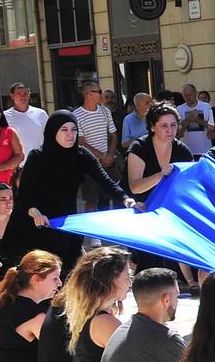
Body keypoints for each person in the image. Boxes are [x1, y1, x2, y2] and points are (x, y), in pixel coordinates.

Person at [16, 111, 133, 268]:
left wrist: (126, 199)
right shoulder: (37, 157)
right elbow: (25, 193)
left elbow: (104, 180)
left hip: (67, 223)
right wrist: (35, 212)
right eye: (64, 130)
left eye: (74, 129)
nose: (70, 134)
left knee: (70, 271)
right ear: (53, 131)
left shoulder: (81, 154)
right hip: (39, 223)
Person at [124, 103, 194, 207]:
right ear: (152, 127)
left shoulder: (182, 150)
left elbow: (189, 184)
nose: (170, 130)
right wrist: (161, 175)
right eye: (164, 125)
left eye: (173, 125)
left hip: (166, 207)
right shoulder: (139, 147)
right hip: (135, 206)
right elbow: (135, 187)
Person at [68, 84, 120, 207]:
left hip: (108, 162)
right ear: (88, 94)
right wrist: (102, 156)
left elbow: (113, 135)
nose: (102, 95)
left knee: (112, 197)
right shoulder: (76, 115)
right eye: (99, 91)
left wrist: (111, 155)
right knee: (91, 200)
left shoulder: (105, 111)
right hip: (89, 164)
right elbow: (81, 142)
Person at [0, 82, 49, 161]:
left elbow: (49, 136)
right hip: (16, 165)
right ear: (12, 96)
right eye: (19, 93)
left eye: (25, 93)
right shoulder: (4, 117)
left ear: (29, 94)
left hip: (40, 162)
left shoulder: (41, 114)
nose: (23, 96)